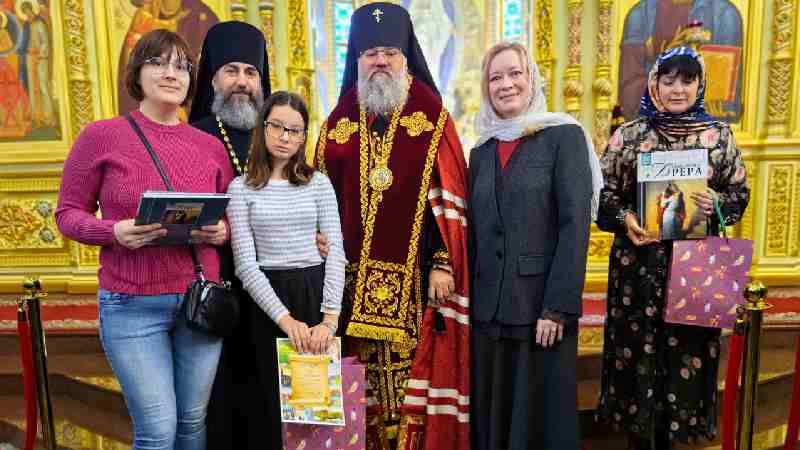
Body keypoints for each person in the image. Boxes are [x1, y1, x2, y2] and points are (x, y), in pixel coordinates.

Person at [55, 29, 233, 450]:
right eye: (158, 62)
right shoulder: (101, 136)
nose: (171, 73)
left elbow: (231, 219)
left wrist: (222, 232)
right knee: (157, 429)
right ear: (137, 72)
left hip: (199, 301)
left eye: (181, 66)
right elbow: (67, 214)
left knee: (192, 423)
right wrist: (113, 232)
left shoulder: (210, 146)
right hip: (131, 304)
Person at [312, 3, 470, 449]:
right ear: (357, 59)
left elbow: (447, 197)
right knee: (359, 394)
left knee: (408, 390)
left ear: (406, 58)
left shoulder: (432, 118)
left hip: (415, 287)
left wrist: (442, 262)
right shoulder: (337, 124)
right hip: (346, 290)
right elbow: (318, 195)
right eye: (370, 53)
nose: (380, 61)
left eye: (389, 53)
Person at [595, 46, 749, 450]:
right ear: (655, 84)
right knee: (636, 354)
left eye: (687, 80)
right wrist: (626, 217)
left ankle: (675, 438)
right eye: (669, 80)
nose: (678, 89)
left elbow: (738, 195)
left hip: (695, 268)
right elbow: (602, 196)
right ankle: (637, 437)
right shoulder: (629, 135)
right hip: (639, 268)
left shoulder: (718, 137)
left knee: (687, 353)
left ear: (700, 85)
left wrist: (716, 203)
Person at [468, 41, 603, 450]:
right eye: (495, 77)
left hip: (540, 311)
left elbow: (574, 225)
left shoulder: (564, 136)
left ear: (532, 79)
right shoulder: (481, 150)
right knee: (495, 421)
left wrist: (557, 307)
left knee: (538, 424)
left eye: (515, 73)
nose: (506, 84)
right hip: (490, 312)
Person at [226, 90, 345, 449]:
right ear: (263, 128)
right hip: (266, 306)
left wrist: (329, 319)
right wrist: (286, 320)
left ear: (303, 136)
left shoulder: (318, 183)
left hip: (314, 295)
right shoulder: (241, 188)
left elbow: (335, 251)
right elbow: (246, 265)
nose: (284, 137)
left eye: (294, 130)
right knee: (271, 414)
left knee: (316, 414)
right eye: (277, 126)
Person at [186, 21, 270, 450]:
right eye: (231, 70)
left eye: (251, 72)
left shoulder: (278, 135)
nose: (242, 82)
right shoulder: (193, 135)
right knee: (220, 402)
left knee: (269, 396)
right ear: (212, 78)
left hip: (274, 289)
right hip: (217, 289)